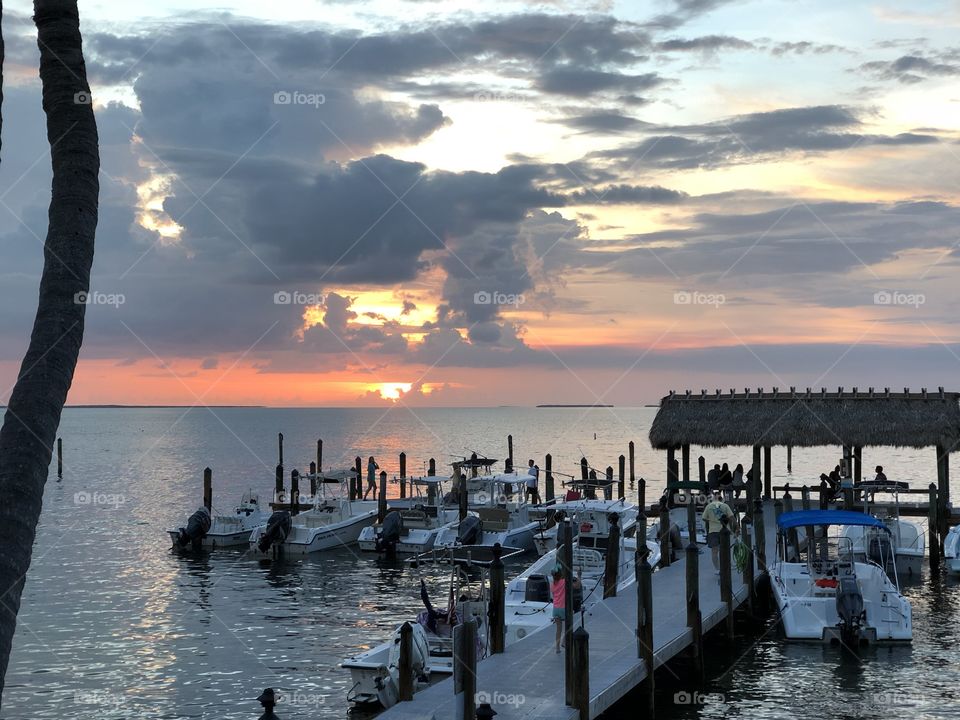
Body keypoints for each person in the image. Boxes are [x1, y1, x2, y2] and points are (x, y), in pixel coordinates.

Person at [701, 491, 738, 572]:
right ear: (721, 498)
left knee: (714, 551)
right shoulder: (725, 506)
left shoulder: (709, 506)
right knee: (725, 549)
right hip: (725, 531)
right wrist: (737, 527)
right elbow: (732, 517)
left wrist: (711, 521)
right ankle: (727, 565)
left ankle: (717, 569)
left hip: (713, 531)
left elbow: (704, 518)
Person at [551, 567, 581, 653]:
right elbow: (577, 586)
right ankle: (564, 642)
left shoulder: (552, 584)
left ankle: (557, 648)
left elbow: (554, 595)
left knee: (558, 629)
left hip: (556, 609)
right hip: (564, 608)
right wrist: (578, 576)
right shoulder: (565, 582)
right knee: (569, 626)